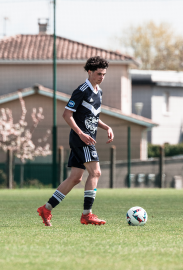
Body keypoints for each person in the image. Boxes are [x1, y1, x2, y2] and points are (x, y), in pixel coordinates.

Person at [37, 56, 113, 226]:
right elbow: (67, 114)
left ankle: (46, 208)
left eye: (104, 74)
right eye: (99, 74)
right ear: (90, 72)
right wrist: (80, 134)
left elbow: (92, 116)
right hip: (82, 140)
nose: (102, 77)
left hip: (85, 138)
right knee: (96, 172)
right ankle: (87, 214)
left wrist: (106, 127)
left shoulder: (98, 91)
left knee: (75, 178)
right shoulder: (82, 90)